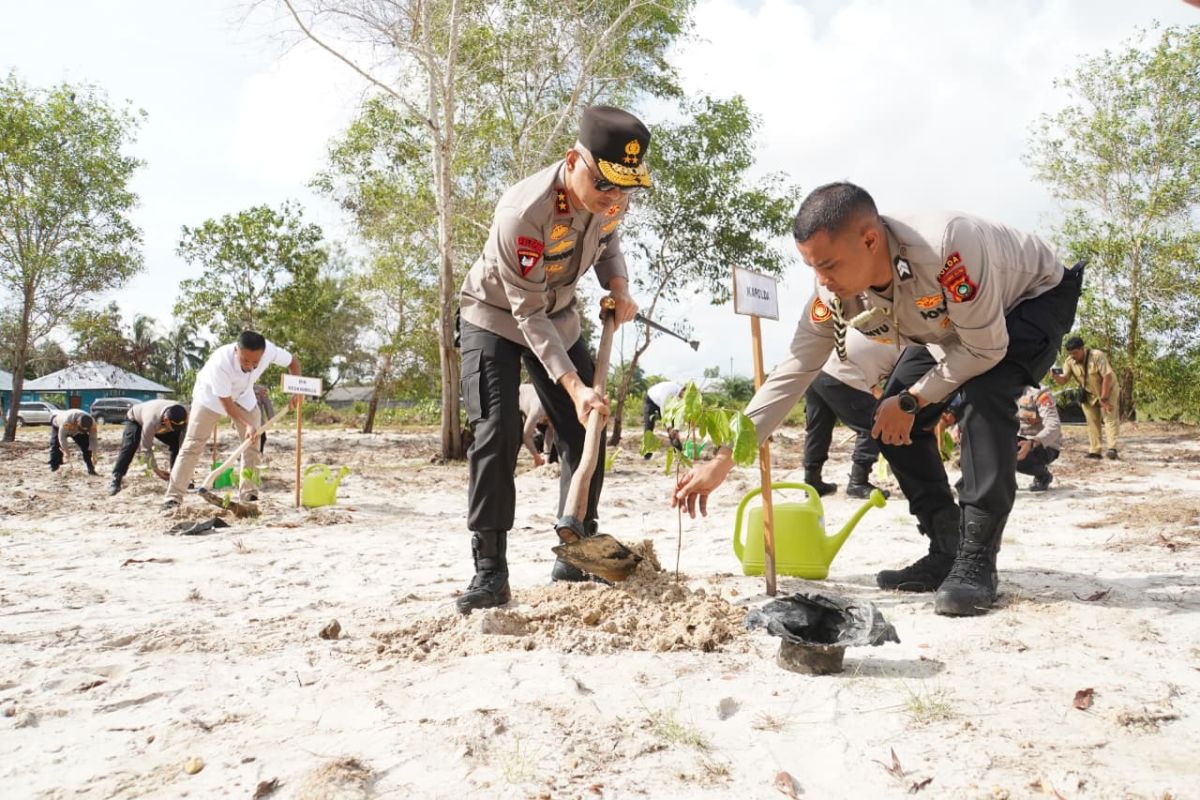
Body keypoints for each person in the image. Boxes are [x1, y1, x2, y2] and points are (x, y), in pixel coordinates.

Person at [673, 182, 1082, 617]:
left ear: (870, 239)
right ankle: (947, 548)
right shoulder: (833, 293)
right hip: (948, 331)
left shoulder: (948, 249)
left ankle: (977, 561)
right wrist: (723, 458)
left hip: (1027, 304)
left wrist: (911, 400)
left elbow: (985, 350)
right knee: (884, 424)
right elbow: (793, 370)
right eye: (811, 267)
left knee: (982, 395)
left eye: (828, 264)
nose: (822, 280)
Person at [456, 105, 650, 614]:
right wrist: (573, 383)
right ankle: (490, 572)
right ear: (573, 161)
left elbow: (607, 242)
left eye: (624, 189)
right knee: (496, 432)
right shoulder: (523, 213)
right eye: (605, 186)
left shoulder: (612, 196)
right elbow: (527, 313)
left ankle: (576, 549)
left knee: (585, 428)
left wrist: (619, 287)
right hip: (496, 317)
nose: (615, 198)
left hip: (559, 315)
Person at [161, 331, 300, 511]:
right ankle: (173, 497)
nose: (250, 366)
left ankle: (249, 494)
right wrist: (247, 424)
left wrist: (296, 391)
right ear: (236, 351)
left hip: (244, 395)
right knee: (193, 445)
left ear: (263, 354)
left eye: (255, 363)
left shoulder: (270, 351)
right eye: (245, 361)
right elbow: (226, 403)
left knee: (253, 444)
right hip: (210, 398)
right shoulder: (221, 362)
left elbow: (293, 362)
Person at [803, 329, 898, 498]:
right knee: (875, 424)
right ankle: (858, 482)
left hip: (817, 369)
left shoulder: (883, 325)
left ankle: (812, 483)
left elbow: (876, 386)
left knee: (818, 430)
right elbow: (896, 389)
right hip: (843, 374)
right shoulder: (911, 344)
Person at [1051, 335, 1119, 459]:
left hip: (1108, 388)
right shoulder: (1069, 361)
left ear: (1083, 349)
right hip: (1089, 393)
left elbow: (1107, 377)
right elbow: (1064, 380)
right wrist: (1056, 377)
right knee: (1091, 420)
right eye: (1070, 353)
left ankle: (1112, 449)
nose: (1072, 356)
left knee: (1109, 418)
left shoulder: (1097, 356)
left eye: (1075, 353)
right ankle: (1095, 451)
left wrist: (1104, 398)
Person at [109, 400, 188, 495]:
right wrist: (157, 471)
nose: (176, 430)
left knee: (176, 443)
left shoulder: (184, 415)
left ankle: (175, 479)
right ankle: (116, 478)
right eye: (174, 427)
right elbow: (146, 448)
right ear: (166, 420)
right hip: (136, 419)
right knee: (130, 446)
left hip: (161, 424)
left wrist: (181, 471)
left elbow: (183, 444)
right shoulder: (151, 421)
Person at [1016, 384, 1061, 492]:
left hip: (1043, 445)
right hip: (1017, 439)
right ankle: (1005, 480)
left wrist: (1033, 442)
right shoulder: (998, 393)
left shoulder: (1038, 392)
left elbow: (1054, 425)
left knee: (1009, 452)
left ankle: (1042, 475)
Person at [642, 379, 684, 458]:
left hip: (663, 404)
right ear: (683, 391)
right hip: (651, 400)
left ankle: (678, 452)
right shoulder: (669, 391)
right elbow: (663, 409)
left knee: (673, 429)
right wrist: (669, 428)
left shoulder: (680, 398)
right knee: (649, 426)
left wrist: (676, 429)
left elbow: (679, 414)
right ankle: (647, 454)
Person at [48, 409, 97, 475]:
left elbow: (93, 438)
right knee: (55, 445)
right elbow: (62, 438)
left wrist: (94, 453)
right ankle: (54, 468)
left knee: (86, 445)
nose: (82, 431)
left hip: (75, 431)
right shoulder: (67, 421)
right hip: (58, 425)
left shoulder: (92, 423)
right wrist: (66, 451)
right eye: (81, 429)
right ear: (77, 422)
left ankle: (91, 469)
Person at [518, 383, 555, 466]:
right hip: (518, 398)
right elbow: (526, 436)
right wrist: (536, 456)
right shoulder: (538, 409)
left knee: (552, 451)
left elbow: (550, 433)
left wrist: (546, 458)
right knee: (516, 436)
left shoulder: (555, 412)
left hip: (538, 410)